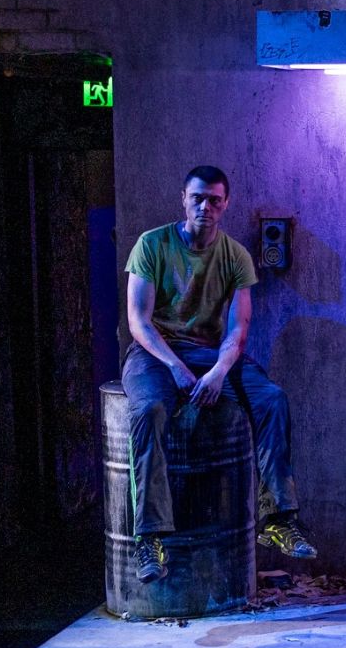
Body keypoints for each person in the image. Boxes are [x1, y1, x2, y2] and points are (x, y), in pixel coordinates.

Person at [121, 166, 316, 584]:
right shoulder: (151, 245)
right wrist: (174, 366)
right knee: (150, 410)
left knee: (271, 399)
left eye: (214, 200)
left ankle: (278, 519)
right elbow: (138, 321)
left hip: (211, 355)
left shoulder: (234, 257)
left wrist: (217, 372)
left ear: (226, 204)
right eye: (198, 198)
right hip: (155, 354)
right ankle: (150, 539)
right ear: (183, 199)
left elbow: (238, 329)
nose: (205, 207)